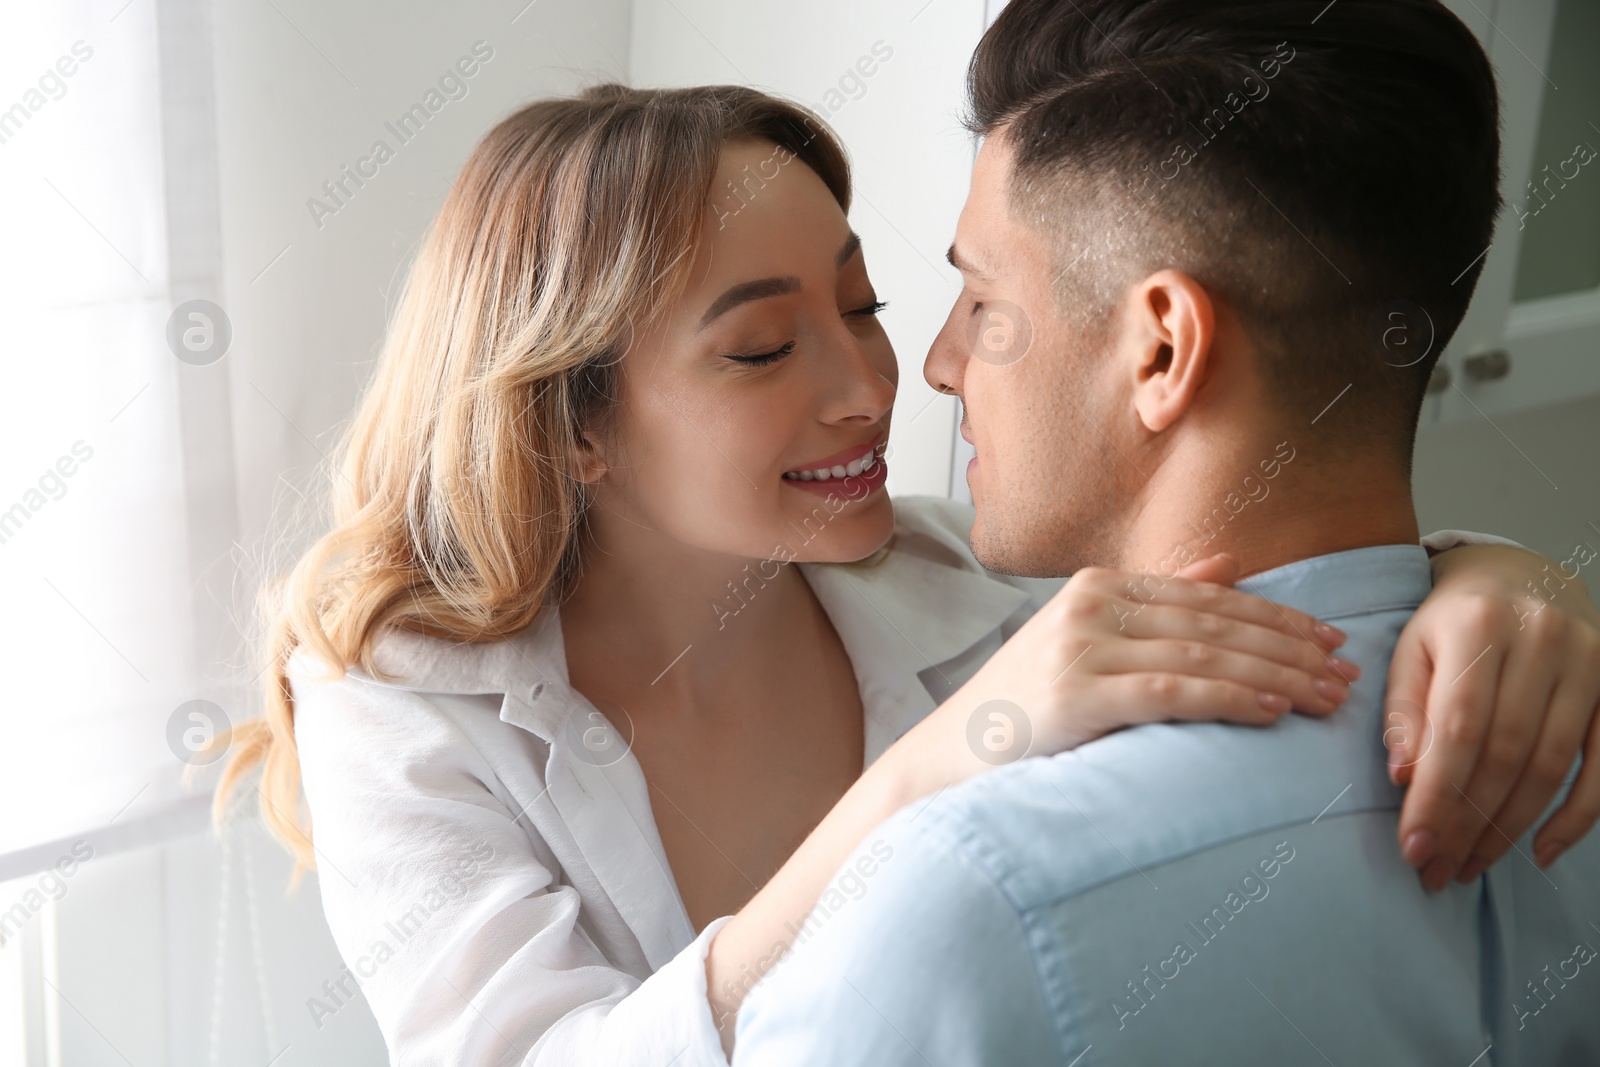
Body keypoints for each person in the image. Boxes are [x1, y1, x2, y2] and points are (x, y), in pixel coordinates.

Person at [213, 80, 1600, 1066]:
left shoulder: (951, 569)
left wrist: (1499, 577)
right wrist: (928, 768)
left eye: (864, 305)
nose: (875, 383)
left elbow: (1295, 559)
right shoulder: (398, 702)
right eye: (765, 348)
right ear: (575, 424)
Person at [730, 2, 1600, 1065]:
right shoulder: (1571, 734)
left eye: (979, 297)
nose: (941, 364)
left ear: (1159, 352)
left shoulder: (964, 908)